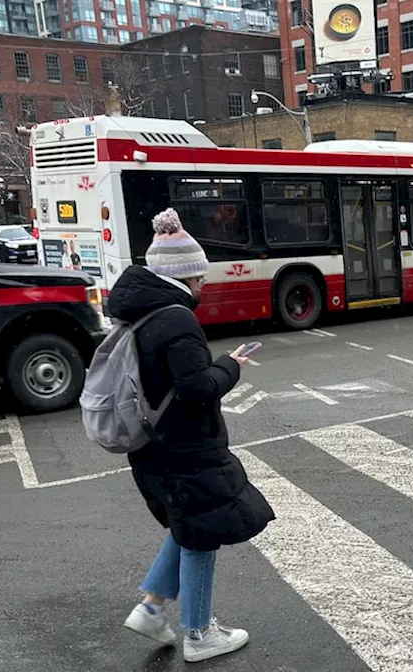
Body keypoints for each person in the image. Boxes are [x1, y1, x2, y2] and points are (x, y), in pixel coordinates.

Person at [108, 208, 270, 663]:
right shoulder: (176, 318)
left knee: (187, 522)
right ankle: (199, 634)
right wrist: (230, 366)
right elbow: (196, 388)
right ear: (185, 275)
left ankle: (152, 607)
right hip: (185, 448)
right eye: (199, 277)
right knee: (202, 533)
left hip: (152, 444)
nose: (204, 286)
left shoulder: (141, 313)